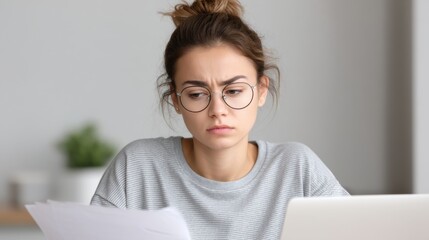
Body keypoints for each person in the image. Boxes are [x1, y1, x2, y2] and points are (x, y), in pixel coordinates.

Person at [91, 0, 349, 239]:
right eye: (196, 94)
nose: (217, 109)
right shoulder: (137, 168)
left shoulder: (298, 169)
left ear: (260, 91)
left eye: (234, 91)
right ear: (176, 100)